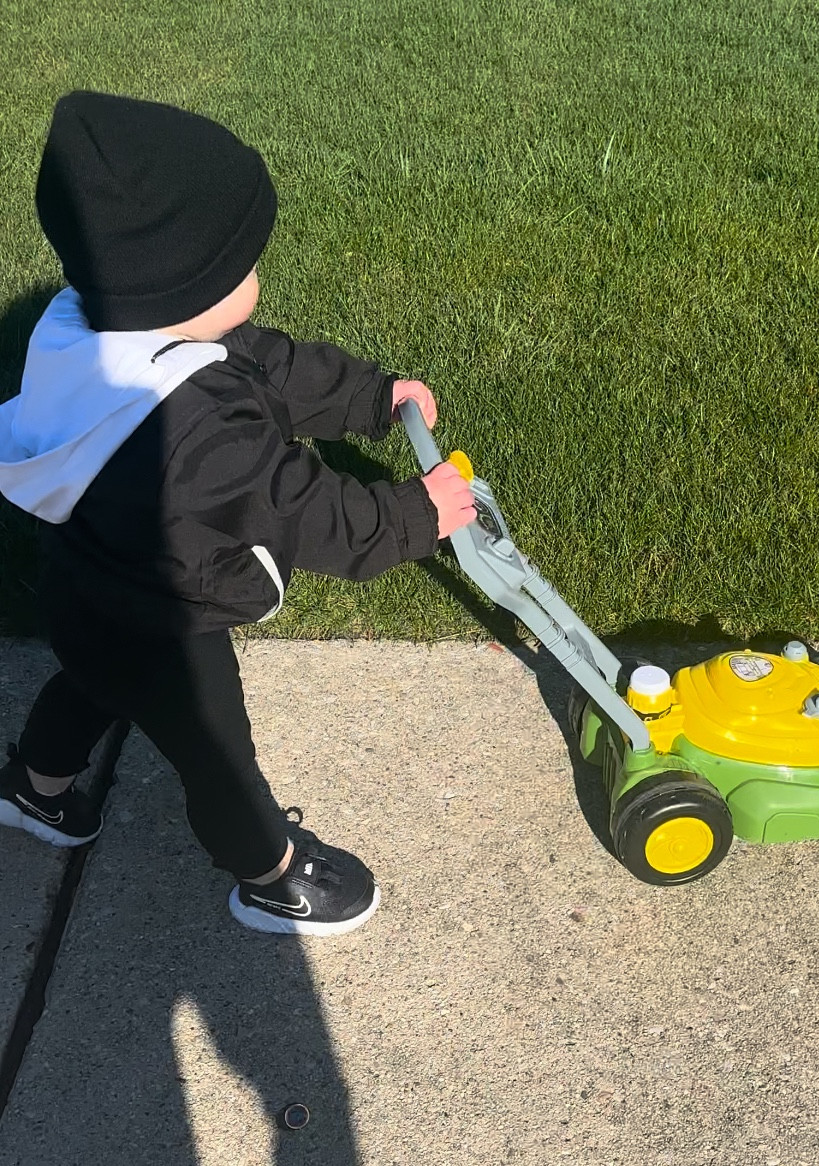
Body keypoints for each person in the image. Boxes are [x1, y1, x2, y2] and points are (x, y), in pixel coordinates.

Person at [0, 91, 476, 936]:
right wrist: (417, 512)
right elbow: (310, 512)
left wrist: (371, 396)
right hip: (169, 621)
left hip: (84, 585)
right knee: (218, 758)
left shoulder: (92, 327)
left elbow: (267, 364)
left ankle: (33, 791)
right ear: (180, 286)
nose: (257, 276)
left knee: (90, 684)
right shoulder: (198, 430)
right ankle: (271, 872)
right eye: (242, 266)